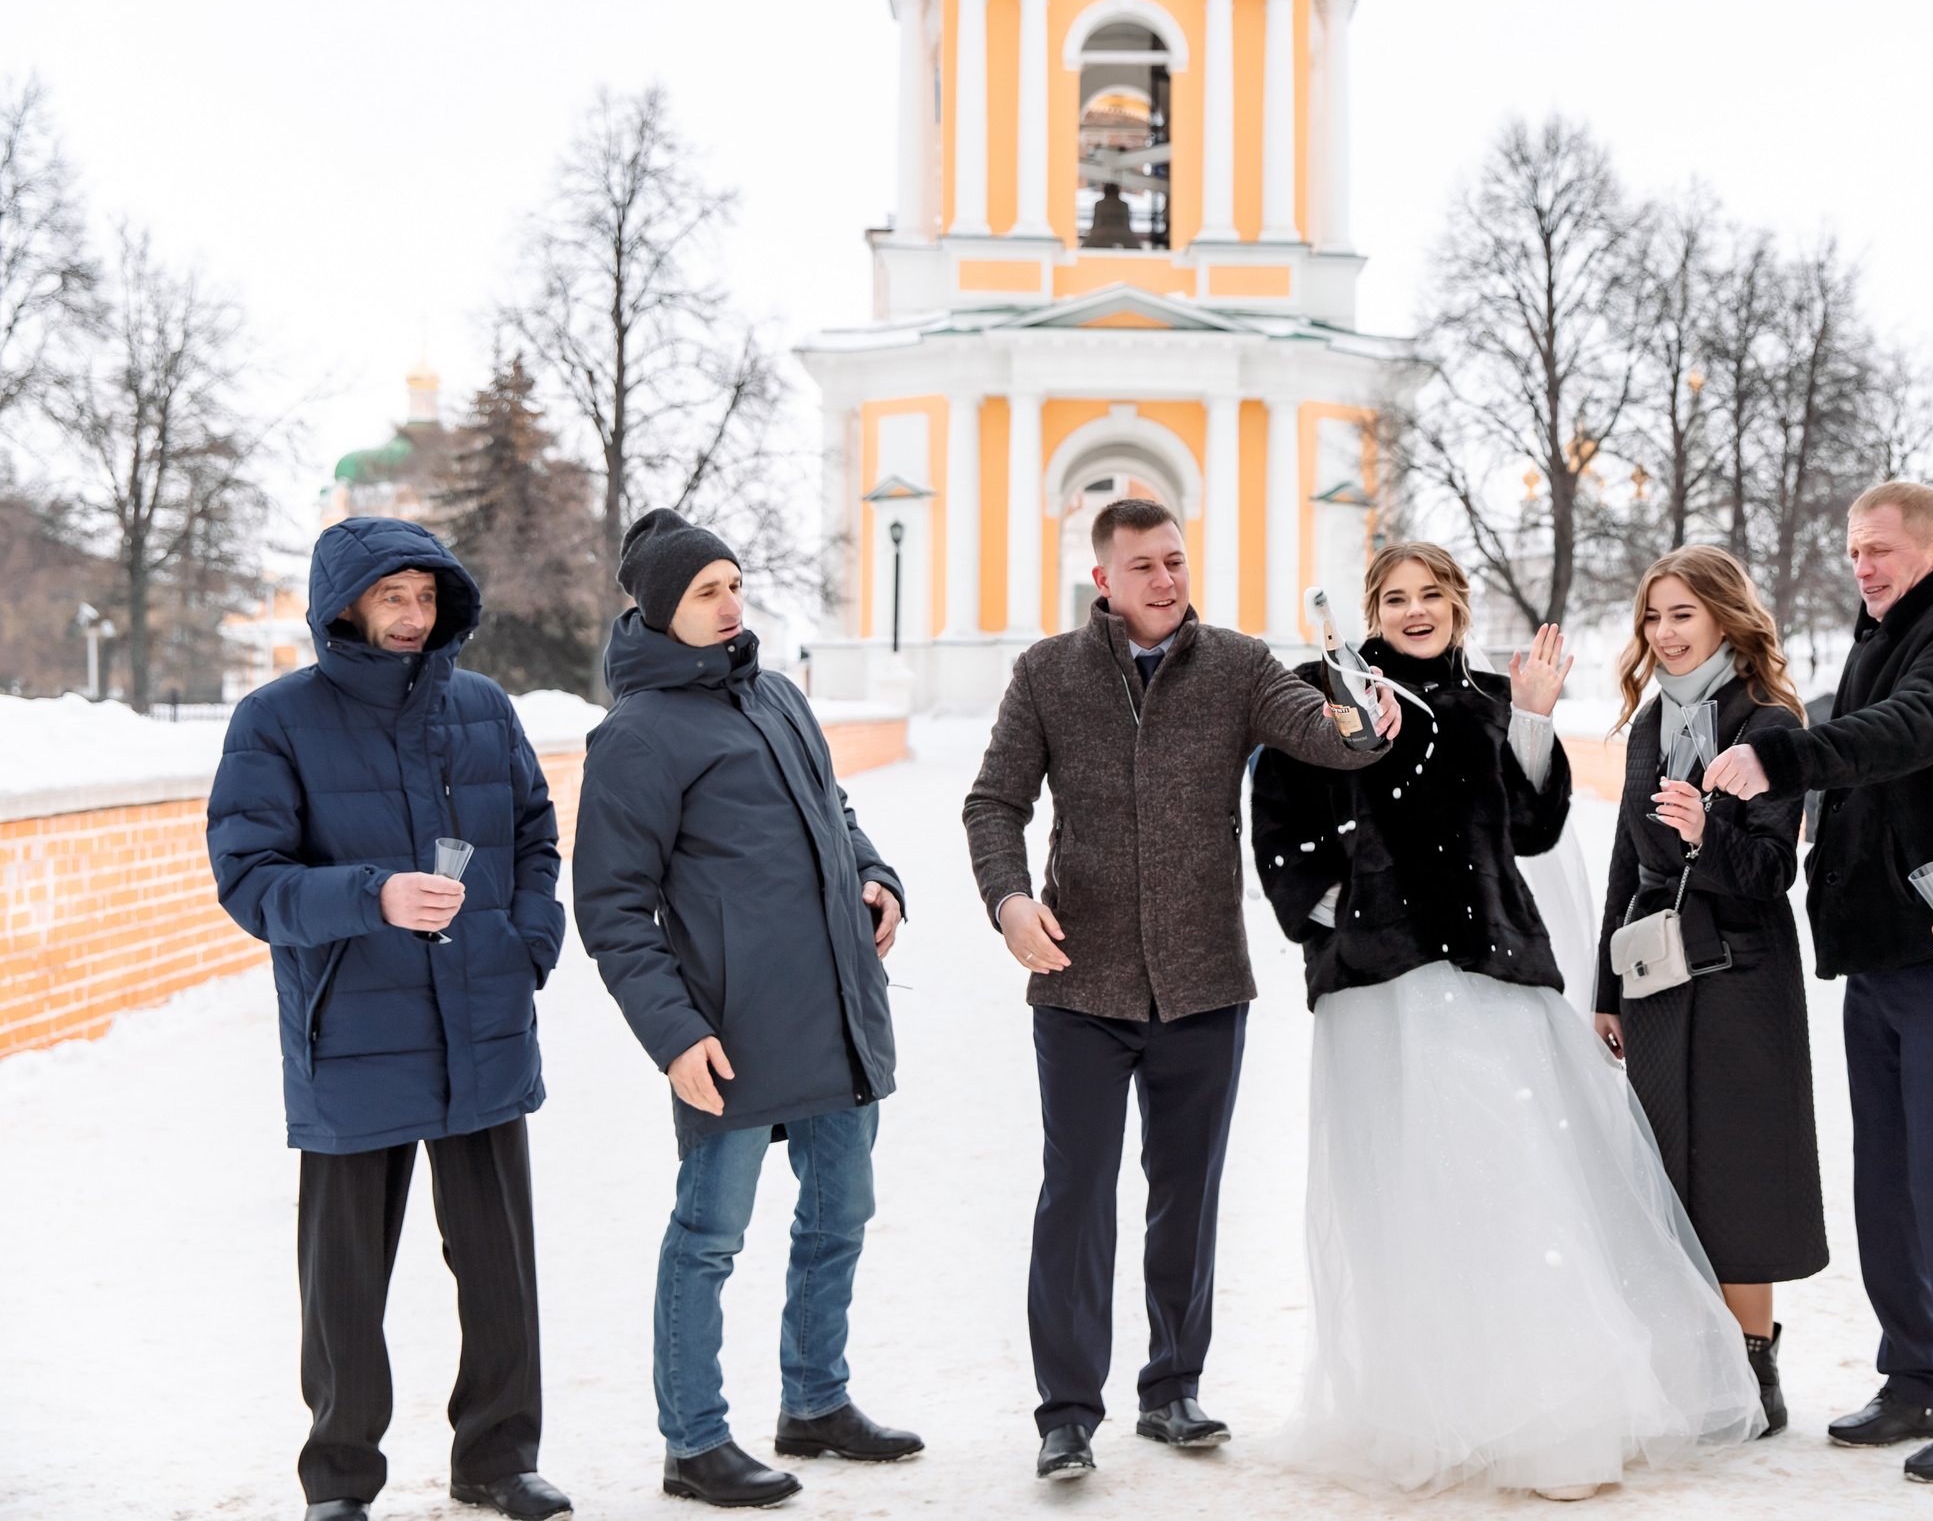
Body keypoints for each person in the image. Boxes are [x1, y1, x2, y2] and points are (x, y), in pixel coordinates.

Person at [1249, 544, 1762, 1500]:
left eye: (1431, 595)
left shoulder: (1491, 699)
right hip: (1378, 984)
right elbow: (1279, 826)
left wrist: (1532, 717)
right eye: (1394, 598)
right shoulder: (1324, 697)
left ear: (1457, 604)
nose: (1414, 611)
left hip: (1492, 968)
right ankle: (1434, 1409)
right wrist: (1342, 913)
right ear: (1371, 610)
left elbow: (1533, 826)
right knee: (1410, 1193)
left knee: (1517, 1177)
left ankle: (1550, 1411)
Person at [962, 496, 1401, 1481]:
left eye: (1175, 560)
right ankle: (1066, 1414)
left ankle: (1171, 1389)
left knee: (1186, 1195)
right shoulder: (1046, 673)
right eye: (1145, 566)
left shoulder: (1239, 665)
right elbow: (994, 801)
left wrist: (1362, 719)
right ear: (1103, 580)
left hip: (1203, 983)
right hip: (1079, 981)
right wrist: (1009, 901)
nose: (1167, 579)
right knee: (1076, 1197)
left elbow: (1326, 733)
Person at [207, 516, 572, 1521]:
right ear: (345, 607)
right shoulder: (275, 719)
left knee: (499, 1265)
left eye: (425, 595)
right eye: (391, 596)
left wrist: (528, 943)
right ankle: (338, 1479)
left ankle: (499, 1459)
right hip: (353, 1032)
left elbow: (536, 838)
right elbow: (251, 881)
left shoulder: (484, 709)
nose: (413, 615)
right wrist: (373, 895)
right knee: (344, 1279)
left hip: (484, 1017)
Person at [575, 509, 920, 1510]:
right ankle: (693, 1441)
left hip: (837, 1007)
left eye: (733, 583)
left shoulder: (777, 695)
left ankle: (815, 1399)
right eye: (705, 591)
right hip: (729, 1030)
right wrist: (675, 1035)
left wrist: (877, 876)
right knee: (708, 1236)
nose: (730, 604)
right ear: (660, 610)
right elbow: (610, 908)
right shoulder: (636, 735)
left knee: (839, 1214)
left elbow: (834, 813)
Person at [1701, 479, 1933, 1484]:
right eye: (1854, 549)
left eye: (1881, 548)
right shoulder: (1883, 635)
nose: (1863, 564)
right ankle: (1916, 1376)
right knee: (1886, 1182)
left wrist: (1784, 756)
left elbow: (1910, 730)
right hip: (1882, 952)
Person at [1592, 546, 1828, 1439]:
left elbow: (1772, 871)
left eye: (1682, 613)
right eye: (1653, 616)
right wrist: (1606, 988)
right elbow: (1625, 859)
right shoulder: (1650, 723)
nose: (1664, 632)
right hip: (1656, 977)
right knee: (1665, 1166)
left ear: (1726, 617)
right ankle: (1690, 1362)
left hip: (1742, 975)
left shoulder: (1769, 723)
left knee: (1741, 1167)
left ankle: (1754, 1359)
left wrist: (1703, 836)